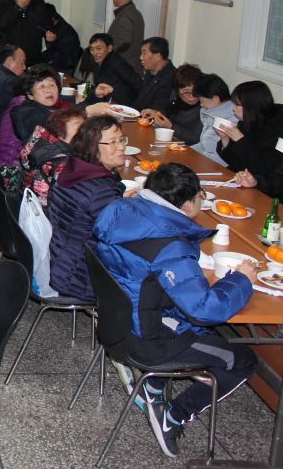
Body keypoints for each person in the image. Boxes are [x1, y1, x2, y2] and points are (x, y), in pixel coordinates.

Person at [94, 163, 257, 459]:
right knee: (243, 360)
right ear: (188, 205)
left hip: (118, 324)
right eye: (200, 196)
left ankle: (152, 386)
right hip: (147, 341)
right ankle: (174, 415)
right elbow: (205, 310)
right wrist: (241, 280)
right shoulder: (171, 246)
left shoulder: (123, 213)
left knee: (198, 330)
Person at [47, 116, 127, 302]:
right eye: (112, 142)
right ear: (92, 146)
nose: (122, 147)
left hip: (61, 261)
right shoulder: (100, 190)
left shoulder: (74, 169)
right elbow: (123, 234)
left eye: (122, 140)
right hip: (81, 277)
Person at [0, 64, 62, 166]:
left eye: (52, 85)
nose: (48, 90)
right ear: (30, 95)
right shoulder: (27, 112)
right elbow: (54, 123)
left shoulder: (24, 103)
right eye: (42, 86)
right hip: (14, 169)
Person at [20, 106, 87, 209]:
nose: (86, 132)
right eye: (79, 128)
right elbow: (77, 196)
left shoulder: (44, 144)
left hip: (33, 207)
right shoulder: (62, 161)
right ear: (60, 134)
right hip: (50, 212)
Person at [216, 80, 283, 179]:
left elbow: (263, 169)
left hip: (259, 183)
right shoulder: (248, 122)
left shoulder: (278, 130)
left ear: (251, 106)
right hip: (239, 177)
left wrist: (240, 139)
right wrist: (225, 138)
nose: (234, 109)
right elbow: (235, 163)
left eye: (237, 104)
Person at [141, 63, 203, 145]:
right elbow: (171, 113)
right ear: (177, 92)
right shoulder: (175, 97)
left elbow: (196, 139)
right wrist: (158, 114)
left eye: (195, 91)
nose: (192, 96)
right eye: (186, 92)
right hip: (170, 142)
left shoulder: (204, 106)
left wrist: (171, 127)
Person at [190, 73, 240, 166]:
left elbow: (223, 158)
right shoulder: (210, 114)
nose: (201, 105)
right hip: (205, 161)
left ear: (216, 99)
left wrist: (196, 160)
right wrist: (186, 151)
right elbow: (203, 145)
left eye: (202, 101)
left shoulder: (230, 120)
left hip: (216, 166)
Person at [0, 0, 48, 67]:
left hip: (33, 56)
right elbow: (2, 25)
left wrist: (50, 35)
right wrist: (18, 8)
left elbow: (47, 26)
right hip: (12, 55)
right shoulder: (5, 6)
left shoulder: (39, 7)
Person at [80, 33, 141, 108]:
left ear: (110, 48)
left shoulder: (117, 64)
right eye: (92, 49)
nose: (95, 53)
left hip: (123, 107)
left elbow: (138, 85)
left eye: (99, 48)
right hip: (107, 104)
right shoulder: (97, 62)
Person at [108, 0, 146, 77]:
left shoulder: (126, 16)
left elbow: (122, 43)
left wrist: (105, 50)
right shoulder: (135, 13)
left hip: (124, 69)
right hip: (130, 67)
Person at [133, 37, 176, 113]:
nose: (141, 57)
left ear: (157, 56)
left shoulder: (171, 77)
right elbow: (140, 100)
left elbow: (159, 109)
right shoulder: (150, 71)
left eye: (144, 53)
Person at [41, 7, 81, 75]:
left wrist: (50, 43)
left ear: (52, 19)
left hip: (62, 69)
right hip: (49, 64)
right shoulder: (51, 28)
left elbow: (65, 60)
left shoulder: (68, 34)